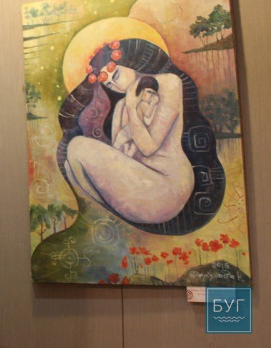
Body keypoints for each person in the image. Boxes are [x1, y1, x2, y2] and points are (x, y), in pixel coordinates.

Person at [57, 38, 224, 234]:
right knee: (70, 166)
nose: (114, 85)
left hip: (168, 188)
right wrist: (125, 127)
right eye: (108, 83)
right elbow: (121, 157)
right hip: (140, 187)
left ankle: (114, 217)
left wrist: (132, 107)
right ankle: (110, 215)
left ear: (129, 62)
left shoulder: (169, 83)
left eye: (116, 75)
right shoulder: (120, 106)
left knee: (78, 146)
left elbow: (149, 147)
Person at [113, 75, 160, 157]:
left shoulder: (146, 104)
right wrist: (153, 104)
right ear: (142, 91)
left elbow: (147, 120)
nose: (151, 96)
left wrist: (153, 103)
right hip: (130, 130)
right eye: (149, 92)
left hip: (138, 131)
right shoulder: (140, 103)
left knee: (130, 150)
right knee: (120, 145)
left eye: (153, 93)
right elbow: (147, 117)